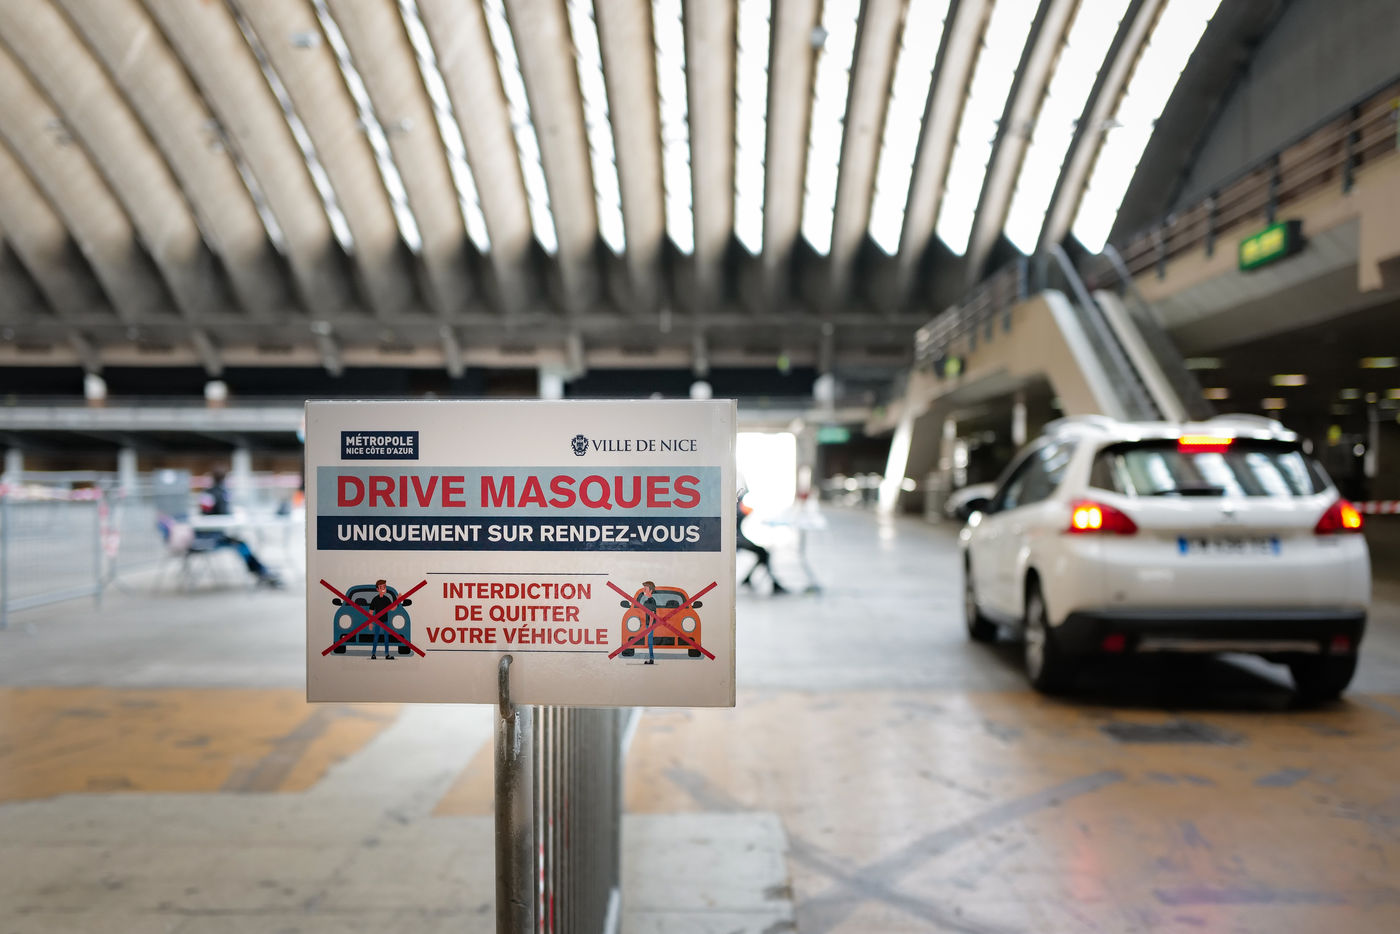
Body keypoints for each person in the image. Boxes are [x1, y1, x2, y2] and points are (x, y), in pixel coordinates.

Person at [198, 470, 282, 587]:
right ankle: (261, 571)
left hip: (210, 535)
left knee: (240, 543)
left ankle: (261, 571)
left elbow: (203, 512)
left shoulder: (207, 493)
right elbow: (220, 512)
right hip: (211, 538)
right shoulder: (221, 493)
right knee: (241, 545)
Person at [737, 491, 788, 594]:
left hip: (737, 538)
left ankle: (748, 579)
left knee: (763, 553)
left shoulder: (737, 504)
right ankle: (773, 583)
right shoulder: (734, 505)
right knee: (763, 553)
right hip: (736, 539)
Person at [367, 579, 395, 660]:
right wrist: (370, 623)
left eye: (384, 587)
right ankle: (373, 654)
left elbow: (392, 608)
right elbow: (371, 611)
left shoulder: (387, 599)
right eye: (381, 587)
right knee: (376, 637)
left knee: (386, 638)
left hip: (385, 621)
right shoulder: (375, 599)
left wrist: (398, 599)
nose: (383, 588)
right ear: (377, 589)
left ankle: (387, 654)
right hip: (377, 621)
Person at [640, 581, 658, 665]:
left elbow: (652, 615)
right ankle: (651, 658)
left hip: (650, 624)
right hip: (648, 624)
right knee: (649, 642)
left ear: (650, 590)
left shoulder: (651, 601)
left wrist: (650, 628)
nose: (643, 590)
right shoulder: (647, 601)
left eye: (645, 589)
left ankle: (651, 659)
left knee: (650, 642)